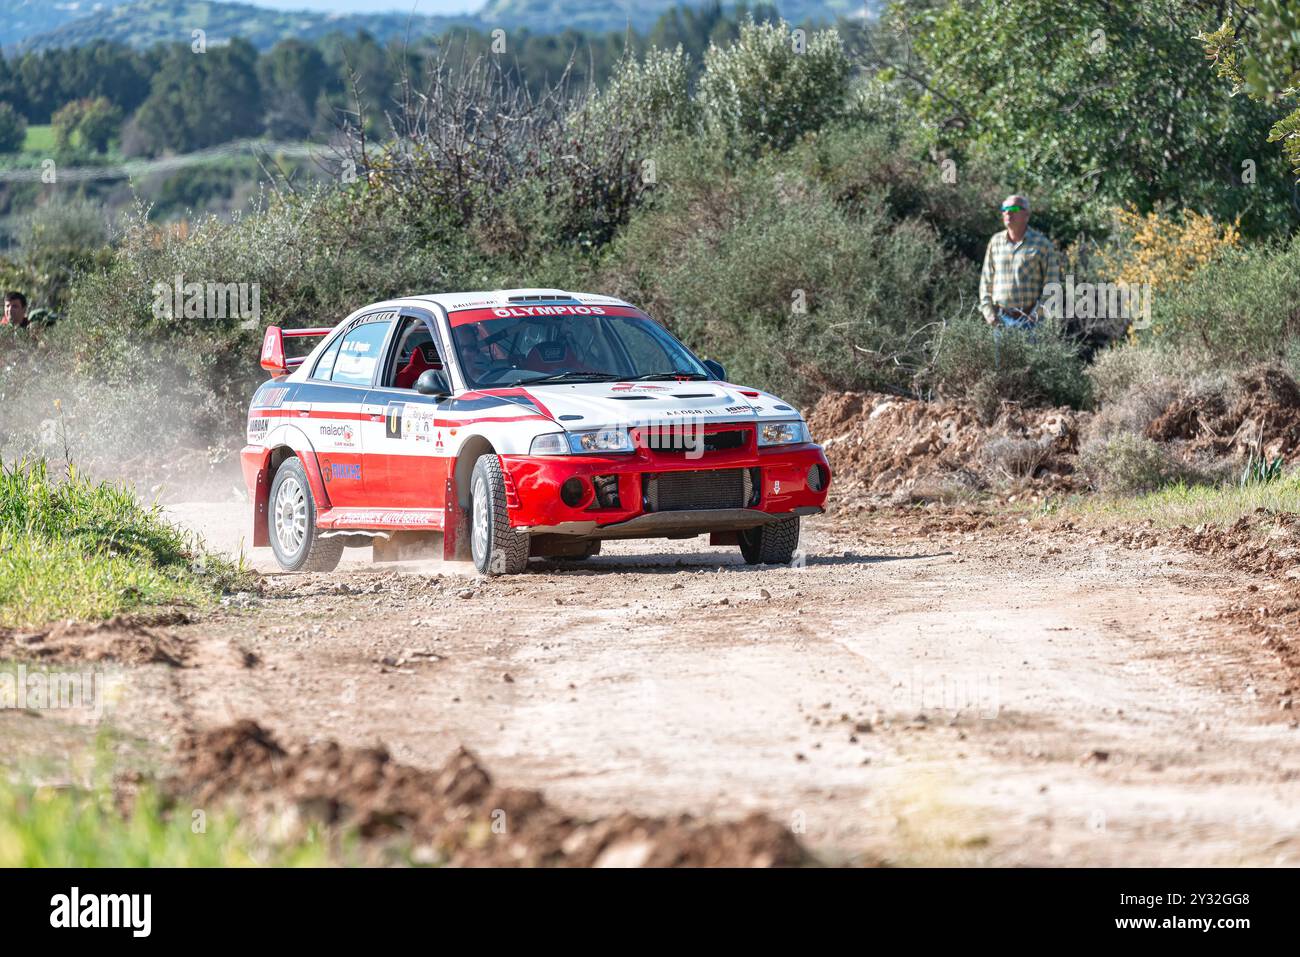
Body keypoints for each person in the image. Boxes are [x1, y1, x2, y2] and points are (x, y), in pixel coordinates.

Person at [979, 195, 1060, 329]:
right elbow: (986, 281)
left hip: (1030, 321)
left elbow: (1052, 284)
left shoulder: (1042, 244)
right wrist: (989, 314)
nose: (1008, 213)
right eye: (1004, 209)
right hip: (1000, 320)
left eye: (1014, 208)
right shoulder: (995, 242)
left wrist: (1036, 315)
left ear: (1026, 215)